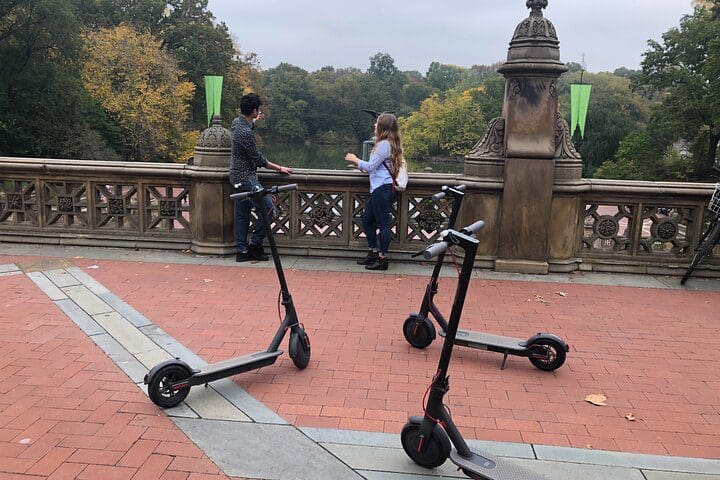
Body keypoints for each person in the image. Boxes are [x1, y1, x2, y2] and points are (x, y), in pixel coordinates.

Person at [231, 93, 293, 262]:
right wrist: (280, 168)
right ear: (254, 110)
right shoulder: (246, 133)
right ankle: (255, 244)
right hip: (246, 178)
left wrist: (253, 120)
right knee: (269, 209)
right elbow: (259, 160)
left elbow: (246, 127)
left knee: (243, 214)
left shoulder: (236, 123)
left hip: (236, 176)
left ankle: (241, 251)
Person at [345, 113, 404, 271]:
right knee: (367, 220)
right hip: (381, 187)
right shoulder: (389, 143)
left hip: (382, 189)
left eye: (376, 123)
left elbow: (370, 166)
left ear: (382, 127)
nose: (374, 125)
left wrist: (355, 159)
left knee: (383, 225)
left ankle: (383, 259)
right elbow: (375, 166)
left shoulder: (384, 144)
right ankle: (373, 252)